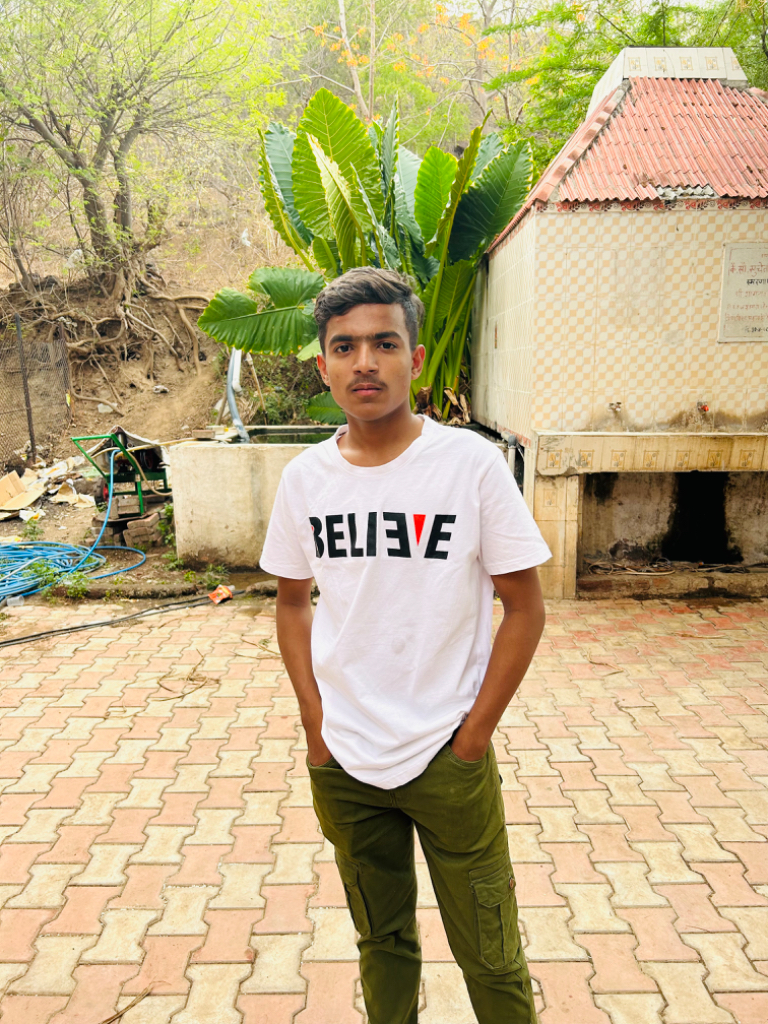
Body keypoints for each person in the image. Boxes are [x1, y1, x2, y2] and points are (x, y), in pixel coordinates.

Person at [260, 267, 551, 1024]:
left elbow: (523, 607)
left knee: (490, 951)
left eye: (384, 343)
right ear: (322, 364)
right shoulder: (305, 481)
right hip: (346, 762)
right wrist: (314, 724)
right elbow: (292, 604)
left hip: (446, 755)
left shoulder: (471, 467)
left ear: (414, 360)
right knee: (380, 940)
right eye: (345, 346)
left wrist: (473, 737)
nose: (365, 363)